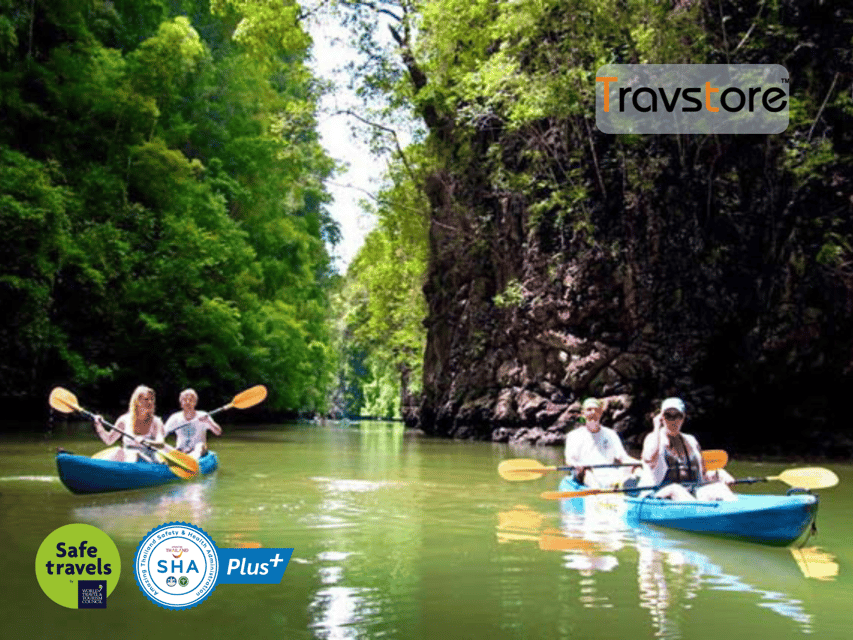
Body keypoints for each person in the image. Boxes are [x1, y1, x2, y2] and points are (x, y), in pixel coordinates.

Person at [640, 397, 736, 501]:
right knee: (675, 489)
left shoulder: (691, 441)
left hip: (689, 493)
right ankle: (699, 512)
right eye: (668, 416)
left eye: (677, 416)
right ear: (661, 418)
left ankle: (738, 513)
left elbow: (704, 473)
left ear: (683, 417)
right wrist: (656, 427)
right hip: (659, 495)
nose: (673, 420)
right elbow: (649, 459)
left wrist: (718, 473)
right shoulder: (653, 438)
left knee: (719, 487)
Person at [564, 397, 641, 488]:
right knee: (587, 472)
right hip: (586, 473)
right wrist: (576, 465)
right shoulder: (574, 435)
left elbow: (623, 457)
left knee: (635, 467)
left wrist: (638, 463)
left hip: (608, 473)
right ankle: (599, 493)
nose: (593, 412)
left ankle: (637, 486)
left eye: (596, 410)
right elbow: (569, 460)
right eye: (589, 410)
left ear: (600, 413)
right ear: (583, 414)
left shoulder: (611, 434)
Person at [94, 385, 165, 463]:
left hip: (146, 458)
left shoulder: (156, 422)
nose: (150, 402)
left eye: (152, 399)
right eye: (146, 399)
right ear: (137, 401)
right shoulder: (124, 419)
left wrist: (146, 441)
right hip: (127, 457)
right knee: (118, 451)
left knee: (135, 455)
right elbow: (109, 440)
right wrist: (99, 425)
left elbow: (161, 444)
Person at [164, 389, 221, 459]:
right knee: (162, 445)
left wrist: (208, 421)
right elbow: (162, 434)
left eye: (191, 400)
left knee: (200, 445)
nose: (188, 402)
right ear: (181, 403)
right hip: (181, 450)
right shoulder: (175, 417)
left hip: (199, 450)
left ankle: (192, 459)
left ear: (195, 402)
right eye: (185, 400)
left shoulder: (203, 415)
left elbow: (218, 432)